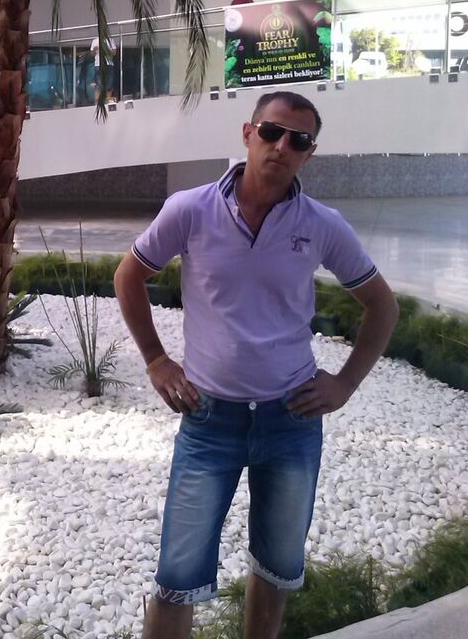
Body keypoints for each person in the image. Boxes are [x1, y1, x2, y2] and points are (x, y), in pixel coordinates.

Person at [114, 90, 398, 639]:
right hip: (208, 420)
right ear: (248, 134)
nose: (282, 146)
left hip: (290, 420)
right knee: (177, 576)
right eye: (271, 132)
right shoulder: (190, 209)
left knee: (275, 569)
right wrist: (155, 360)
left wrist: (345, 383)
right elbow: (129, 276)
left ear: (309, 154)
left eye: (299, 140)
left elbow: (382, 305)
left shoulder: (322, 224)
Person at [90, 34, 117, 101]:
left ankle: (107, 99)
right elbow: (92, 54)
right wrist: (95, 49)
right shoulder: (95, 41)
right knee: (99, 83)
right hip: (98, 64)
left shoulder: (110, 40)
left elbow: (114, 53)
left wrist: (106, 49)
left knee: (109, 83)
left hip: (109, 64)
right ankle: (97, 101)